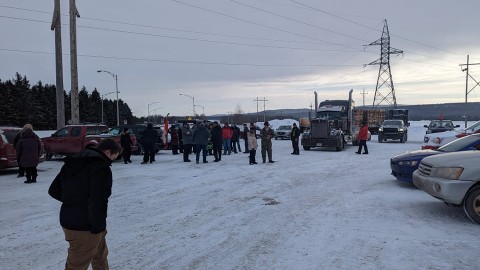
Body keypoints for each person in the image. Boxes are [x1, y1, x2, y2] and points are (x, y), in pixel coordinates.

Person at [48, 138, 121, 270]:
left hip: (70, 219)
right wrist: (97, 226)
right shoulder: (100, 167)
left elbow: (54, 190)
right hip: (86, 226)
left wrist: (72, 201)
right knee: (77, 265)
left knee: (100, 257)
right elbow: (98, 200)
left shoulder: (73, 161)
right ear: (108, 152)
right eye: (113, 158)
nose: (111, 162)